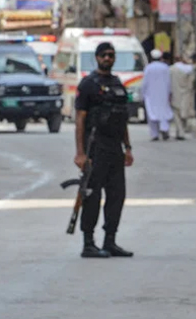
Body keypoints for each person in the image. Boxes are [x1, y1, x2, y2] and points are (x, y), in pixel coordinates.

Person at [74, 42, 134, 259]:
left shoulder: (118, 84)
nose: (108, 58)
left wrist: (127, 147)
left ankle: (110, 241)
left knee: (117, 195)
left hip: (115, 148)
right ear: (97, 58)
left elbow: (123, 119)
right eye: (104, 55)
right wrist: (80, 153)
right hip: (95, 146)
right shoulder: (89, 84)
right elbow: (80, 120)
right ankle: (88, 243)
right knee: (92, 195)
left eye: (111, 55)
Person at [141, 49, 176, 141]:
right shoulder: (165, 67)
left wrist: (143, 93)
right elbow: (169, 82)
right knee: (163, 112)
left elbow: (144, 83)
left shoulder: (148, 68)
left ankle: (154, 134)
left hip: (150, 94)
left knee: (151, 113)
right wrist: (170, 92)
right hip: (163, 93)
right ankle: (165, 130)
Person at [169, 56, 195, 138]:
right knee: (184, 113)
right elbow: (192, 82)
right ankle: (182, 129)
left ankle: (180, 131)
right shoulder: (190, 70)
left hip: (175, 92)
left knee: (176, 114)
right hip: (186, 93)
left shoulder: (171, 69)